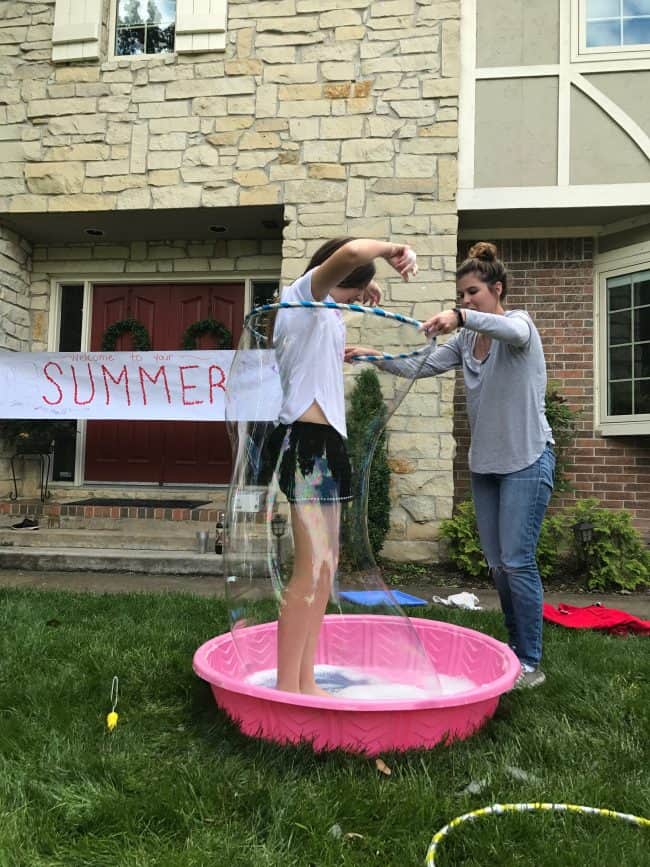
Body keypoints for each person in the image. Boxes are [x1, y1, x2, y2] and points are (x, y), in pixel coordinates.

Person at [345, 242, 555, 688]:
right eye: (461, 296)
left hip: (527, 460)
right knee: (498, 565)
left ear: (497, 289)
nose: (465, 301)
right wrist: (371, 355)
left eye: (473, 293)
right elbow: (419, 366)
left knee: (517, 561)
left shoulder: (520, 325)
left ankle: (531, 661)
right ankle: (517, 652)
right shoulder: (464, 342)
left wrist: (460, 318)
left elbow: (511, 334)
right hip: (487, 466)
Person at [266, 237, 417, 695]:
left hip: (327, 441)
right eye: (353, 289)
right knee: (309, 569)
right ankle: (287, 687)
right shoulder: (301, 295)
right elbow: (351, 254)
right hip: (306, 442)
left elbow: (337, 304)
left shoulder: (325, 310)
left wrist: (356, 298)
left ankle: (305, 680)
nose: (355, 298)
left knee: (326, 567)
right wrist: (391, 250)